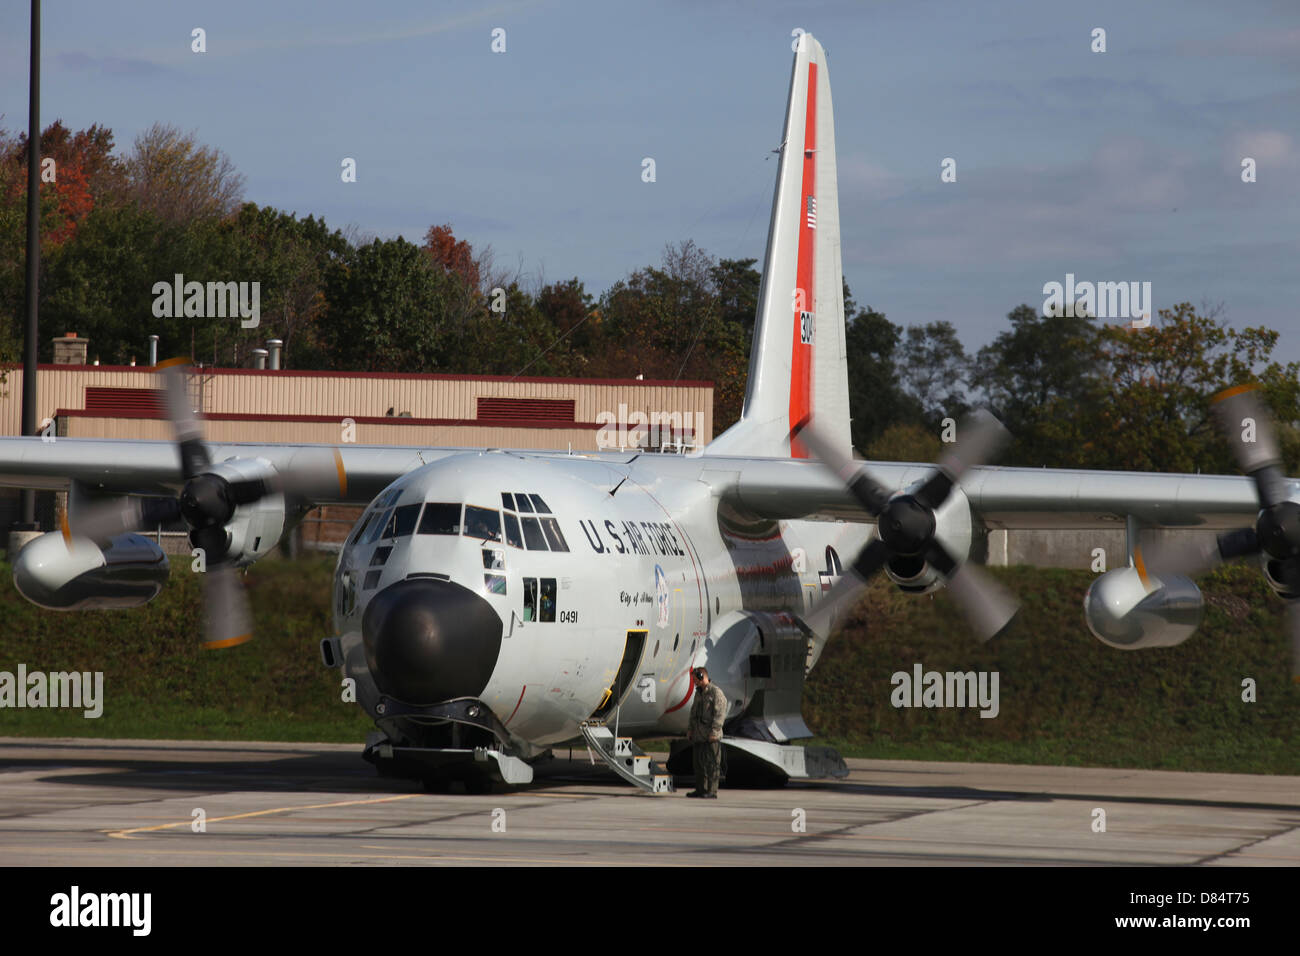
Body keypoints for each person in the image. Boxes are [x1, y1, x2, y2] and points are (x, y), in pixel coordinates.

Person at [685, 666, 727, 798]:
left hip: (710, 737)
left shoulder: (715, 693)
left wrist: (714, 732)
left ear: (702, 677)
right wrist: (690, 730)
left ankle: (711, 791)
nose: (694, 682)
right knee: (698, 764)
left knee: (712, 765)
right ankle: (700, 789)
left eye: (695, 679)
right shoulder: (698, 693)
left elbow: (720, 714)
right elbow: (693, 713)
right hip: (698, 735)